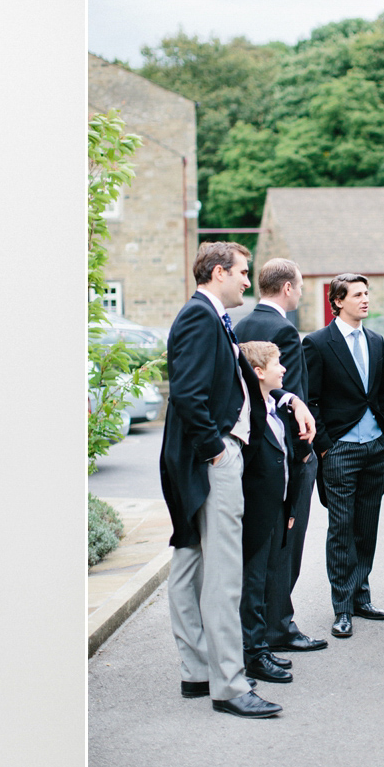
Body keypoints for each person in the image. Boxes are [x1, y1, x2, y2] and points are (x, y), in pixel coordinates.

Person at [159, 242, 280, 718]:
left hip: (199, 457)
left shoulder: (212, 318)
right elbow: (187, 392)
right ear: (217, 273)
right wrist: (215, 449)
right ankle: (229, 685)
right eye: (243, 273)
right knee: (223, 573)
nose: (248, 281)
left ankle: (197, 672)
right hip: (208, 457)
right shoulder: (199, 317)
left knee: (189, 561)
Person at [234, 258, 327, 653]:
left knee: (261, 544)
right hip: (284, 455)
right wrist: (304, 455)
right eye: (301, 286)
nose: (302, 292)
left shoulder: (241, 326)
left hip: (252, 452)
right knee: (287, 543)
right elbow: (295, 396)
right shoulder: (282, 330)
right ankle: (280, 626)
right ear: (287, 288)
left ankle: (261, 627)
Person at [303, 273, 384, 639]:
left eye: (367, 293)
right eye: (358, 294)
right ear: (337, 301)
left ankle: (361, 595)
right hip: (339, 449)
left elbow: (382, 392)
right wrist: (324, 445)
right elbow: (310, 399)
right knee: (341, 529)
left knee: (365, 528)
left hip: (375, 449)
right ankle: (341, 608)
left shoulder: (375, 340)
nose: (366, 299)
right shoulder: (317, 343)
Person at [235, 340, 316, 684]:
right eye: (277, 363)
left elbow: (289, 460)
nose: (284, 369)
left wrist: (291, 506)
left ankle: (262, 646)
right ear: (257, 372)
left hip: (278, 509)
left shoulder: (277, 406)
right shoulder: (249, 413)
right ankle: (251, 654)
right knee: (251, 585)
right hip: (254, 512)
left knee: (268, 578)